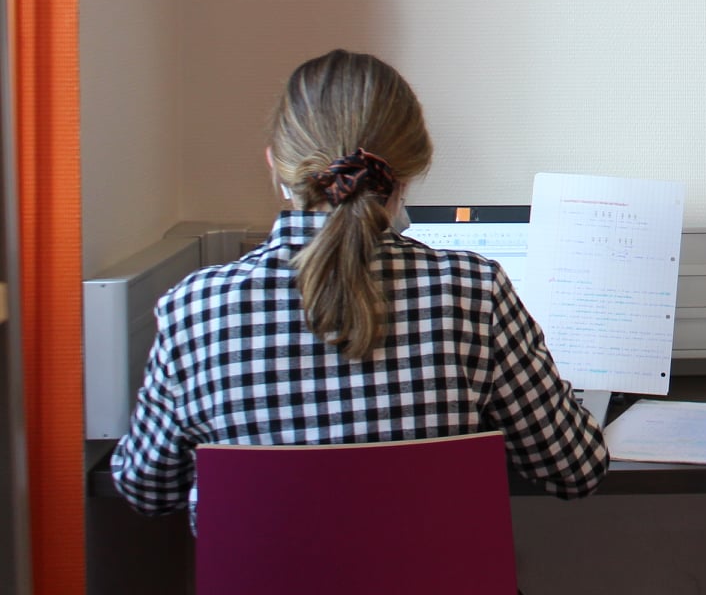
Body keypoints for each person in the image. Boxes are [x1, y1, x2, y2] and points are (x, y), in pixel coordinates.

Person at [112, 50, 607, 518]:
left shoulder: (196, 310)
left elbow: (146, 489)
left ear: (276, 165)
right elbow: (574, 468)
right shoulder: (475, 293)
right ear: (410, 173)